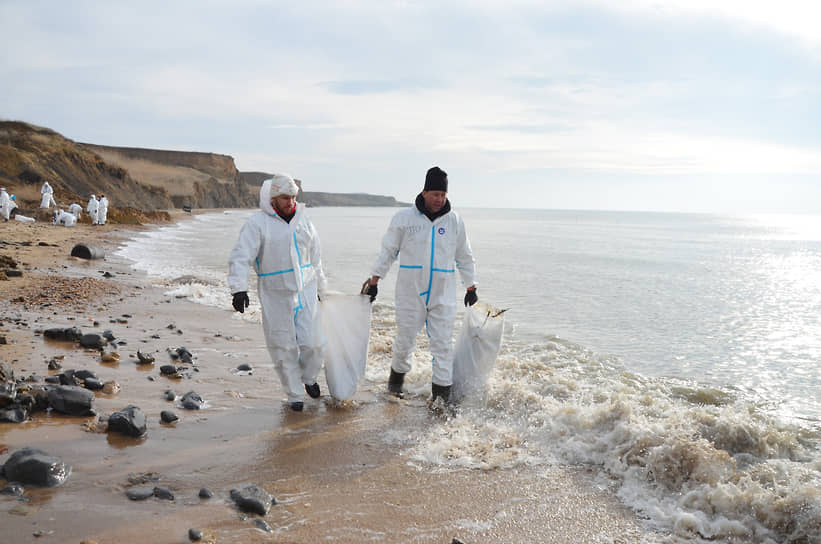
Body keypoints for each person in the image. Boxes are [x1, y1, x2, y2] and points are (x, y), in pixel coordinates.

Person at [366, 166, 477, 405]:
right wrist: (375, 280)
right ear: (424, 192)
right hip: (410, 292)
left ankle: (440, 399)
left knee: (443, 346)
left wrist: (471, 286)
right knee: (405, 341)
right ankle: (395, 386)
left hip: (443, 294)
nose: (439, 199)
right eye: (435, 194)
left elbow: (464, 255)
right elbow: (389, 251)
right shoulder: (404, 219)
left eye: (443, 195)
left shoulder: (455, 220)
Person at [228, 174, 327, 412]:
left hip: (306, 290)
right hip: (275, 294)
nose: (290, 202)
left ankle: (309, 378)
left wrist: (322, 288)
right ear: (273, 198)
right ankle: (294, 394)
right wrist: (239, 289)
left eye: (293, 197)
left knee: (313, 344)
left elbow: (316, 259)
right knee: (283, 347)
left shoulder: (305, 221)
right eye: (285, 197)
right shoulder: (257, 224)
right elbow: (241, 257)